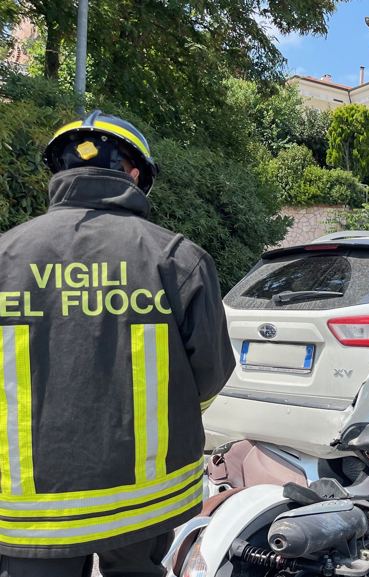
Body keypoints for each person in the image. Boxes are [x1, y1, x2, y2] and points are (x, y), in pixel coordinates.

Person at [0, 110, 235, 576]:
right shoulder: (177, 258)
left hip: (29, 507)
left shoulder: (6, 255)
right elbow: (210, 373)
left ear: (61, 173)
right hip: (143, 500)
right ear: (132, 174)